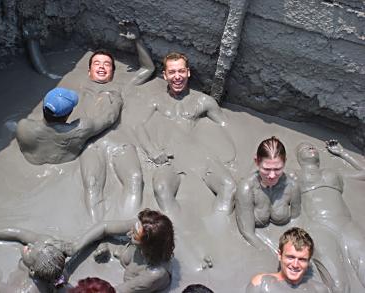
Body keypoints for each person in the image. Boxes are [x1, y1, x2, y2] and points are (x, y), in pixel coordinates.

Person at [136, 52, 237, 215]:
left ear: (188, 72)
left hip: (200, 155)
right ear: (165, 75)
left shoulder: (203, 101)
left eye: (181, 71)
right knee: (161, 188)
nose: (177, 77)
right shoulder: (155, 101)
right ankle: (176, 228)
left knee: (230, 187)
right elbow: (139, 125)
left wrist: (226, 155)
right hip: (171, 157)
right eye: (172, 72)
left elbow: (226, 126)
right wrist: (152, 152)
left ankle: (217, 226)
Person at [76, 20, 155, 222]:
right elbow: (43, 72)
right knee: (93, 184)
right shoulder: (77, 88)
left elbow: (148, 68)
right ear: (89, 70)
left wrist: (137, 41)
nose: (102, 67)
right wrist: (32, 43)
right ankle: (96, 232)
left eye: (107, 64)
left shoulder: (122, 85)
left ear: (112, 71)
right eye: (97, 64)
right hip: (91, 143)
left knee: (135, 179)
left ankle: (125, 229)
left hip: (120, 142)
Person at [295, 140, 365, 292]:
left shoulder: (333, 173)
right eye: (304, 148)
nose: (310, 147)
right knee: (338, 284)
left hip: (347, 225)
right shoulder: (295, 175)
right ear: (299, 157)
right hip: (320, 228)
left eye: (311, 146)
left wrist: (342, 153)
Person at [66, 209, 174, 293]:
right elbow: (105, 227)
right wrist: (75, 247)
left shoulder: (154, 274)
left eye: (134, 235)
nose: (129, 233)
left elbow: (115, 292)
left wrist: (68, 288)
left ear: (149, 245)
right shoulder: (142, 225)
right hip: (126, 256)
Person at [16, 87, 122, 165]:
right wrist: (117, 99)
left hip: (32, 160)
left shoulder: (22, 126)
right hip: (65, 161)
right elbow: (110, 118)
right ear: (68, 114)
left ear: (43, 106)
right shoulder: (82, 128)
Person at [235, 136, 301, 252]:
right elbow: (247, 232)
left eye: (277, 169)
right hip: (259, 242)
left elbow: (297, 221)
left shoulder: (293, 187)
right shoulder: (246, 188)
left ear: (285, 161)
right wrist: (271, 253)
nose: (271, 175)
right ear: (256, 162)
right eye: (266, 169)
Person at [0, 227, 71, 292]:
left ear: (32, 270)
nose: (29, 245)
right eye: (33, 246)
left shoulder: (21, 291)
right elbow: (18, 233)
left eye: (29, 252)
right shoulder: (57, 271)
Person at [246, 227, 329, 293]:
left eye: (302, 259)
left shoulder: (319, 290)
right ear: (280, 255)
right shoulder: (261, 283)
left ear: (308, 261)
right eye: (290, 257)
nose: (295, 265)